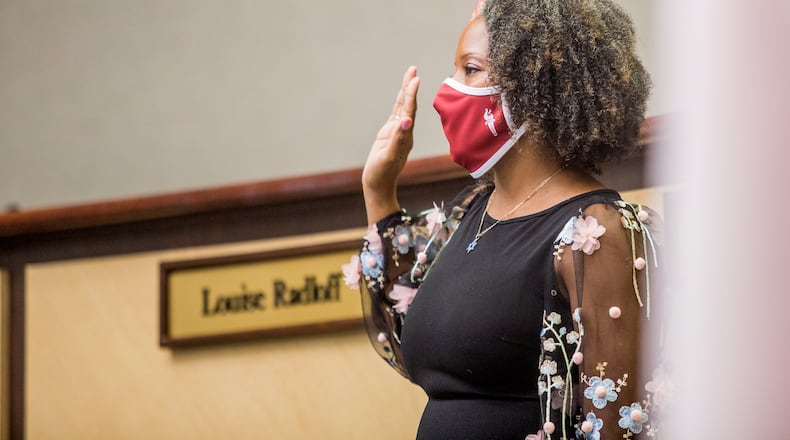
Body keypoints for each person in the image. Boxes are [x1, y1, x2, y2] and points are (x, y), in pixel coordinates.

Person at [342, 1, 664, 438]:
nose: (446, 92)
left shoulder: (596, 233)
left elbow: (617, 426)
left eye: (470, 70)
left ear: (535, 87)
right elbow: (423, 339)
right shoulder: (472, 209)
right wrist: (378, 191)